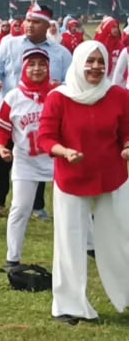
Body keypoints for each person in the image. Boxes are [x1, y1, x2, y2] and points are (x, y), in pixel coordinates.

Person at [37, 40, 129, 325]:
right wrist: (63, 151)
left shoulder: (118, 95)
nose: (96, 67)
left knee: (122, 238)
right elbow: (45, 137)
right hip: (71, 178)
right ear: (78, 63)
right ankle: (69, 306)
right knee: (70, 242)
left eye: (101, 61)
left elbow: (127, 132)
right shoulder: (59, 97)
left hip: (112, 177)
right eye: (90, 61)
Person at [0, 4, 72, 218]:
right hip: (7, 110)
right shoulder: (9, 44)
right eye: (28, 20)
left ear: (47, 26)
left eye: (35, 21)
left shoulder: (60, 53)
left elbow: (72, 80)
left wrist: (61, 87)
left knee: (38, 155)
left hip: (39, 115)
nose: (29, 25)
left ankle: (36, 205)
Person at [0, 48, 56, 271]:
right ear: (24, 67)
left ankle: (87, 248)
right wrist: (0, 146)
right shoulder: (13, 97)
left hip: (57, 160)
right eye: (32, 64)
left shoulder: (58, 93)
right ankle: (12, 258)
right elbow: (1, 129)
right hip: (26, 161)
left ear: (48, 67)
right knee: (20, 209)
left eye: (41, 64)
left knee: (73, 209)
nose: (36, 69)